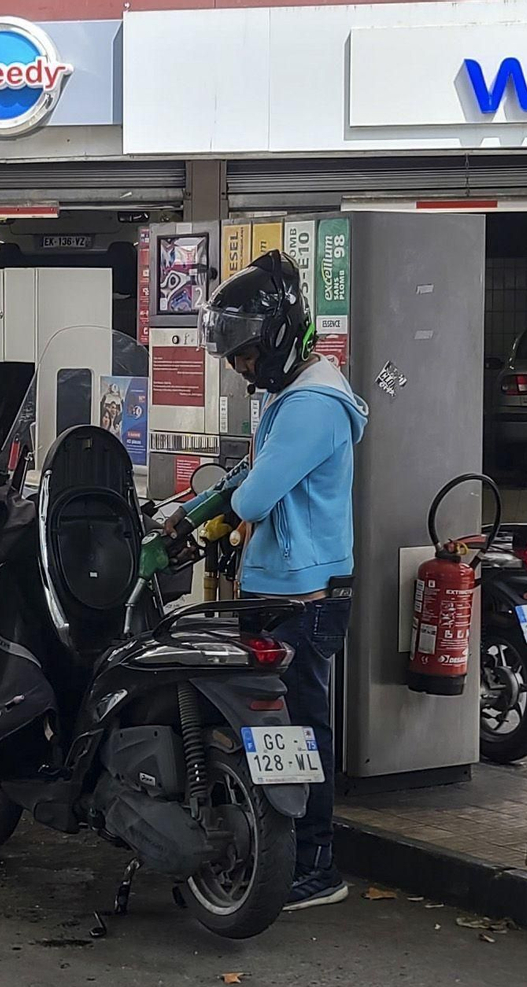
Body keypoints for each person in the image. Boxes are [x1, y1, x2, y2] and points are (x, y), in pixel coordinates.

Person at [182, 250, 369, 911]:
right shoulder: (298, 394)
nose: (238, 367)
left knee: (299, 734)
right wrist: (194, 512)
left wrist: (219, 515)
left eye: (245, 354)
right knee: (278, 734)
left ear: (278, 339)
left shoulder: (313, 403)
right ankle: (286, 855)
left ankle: (315, 865)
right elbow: (249, 484)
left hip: (303, 598)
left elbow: (257, 496)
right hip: (287, 589)